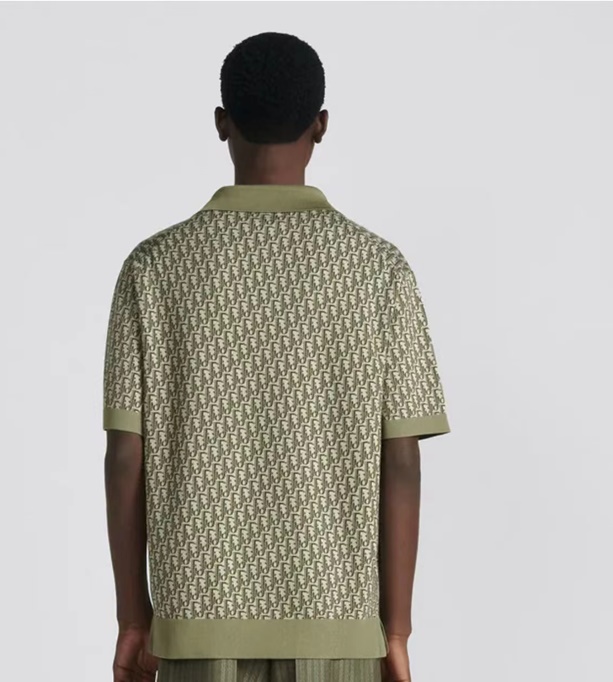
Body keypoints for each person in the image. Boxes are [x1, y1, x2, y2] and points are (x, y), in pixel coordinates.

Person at [103, 31, 451, 682]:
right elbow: (402, 462)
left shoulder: (153, 269)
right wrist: (396, 630)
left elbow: (126, 457)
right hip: (338, 624)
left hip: (194, 625)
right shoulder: (379, 271)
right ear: (321, 126)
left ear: (221, 123)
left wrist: (133, 618)